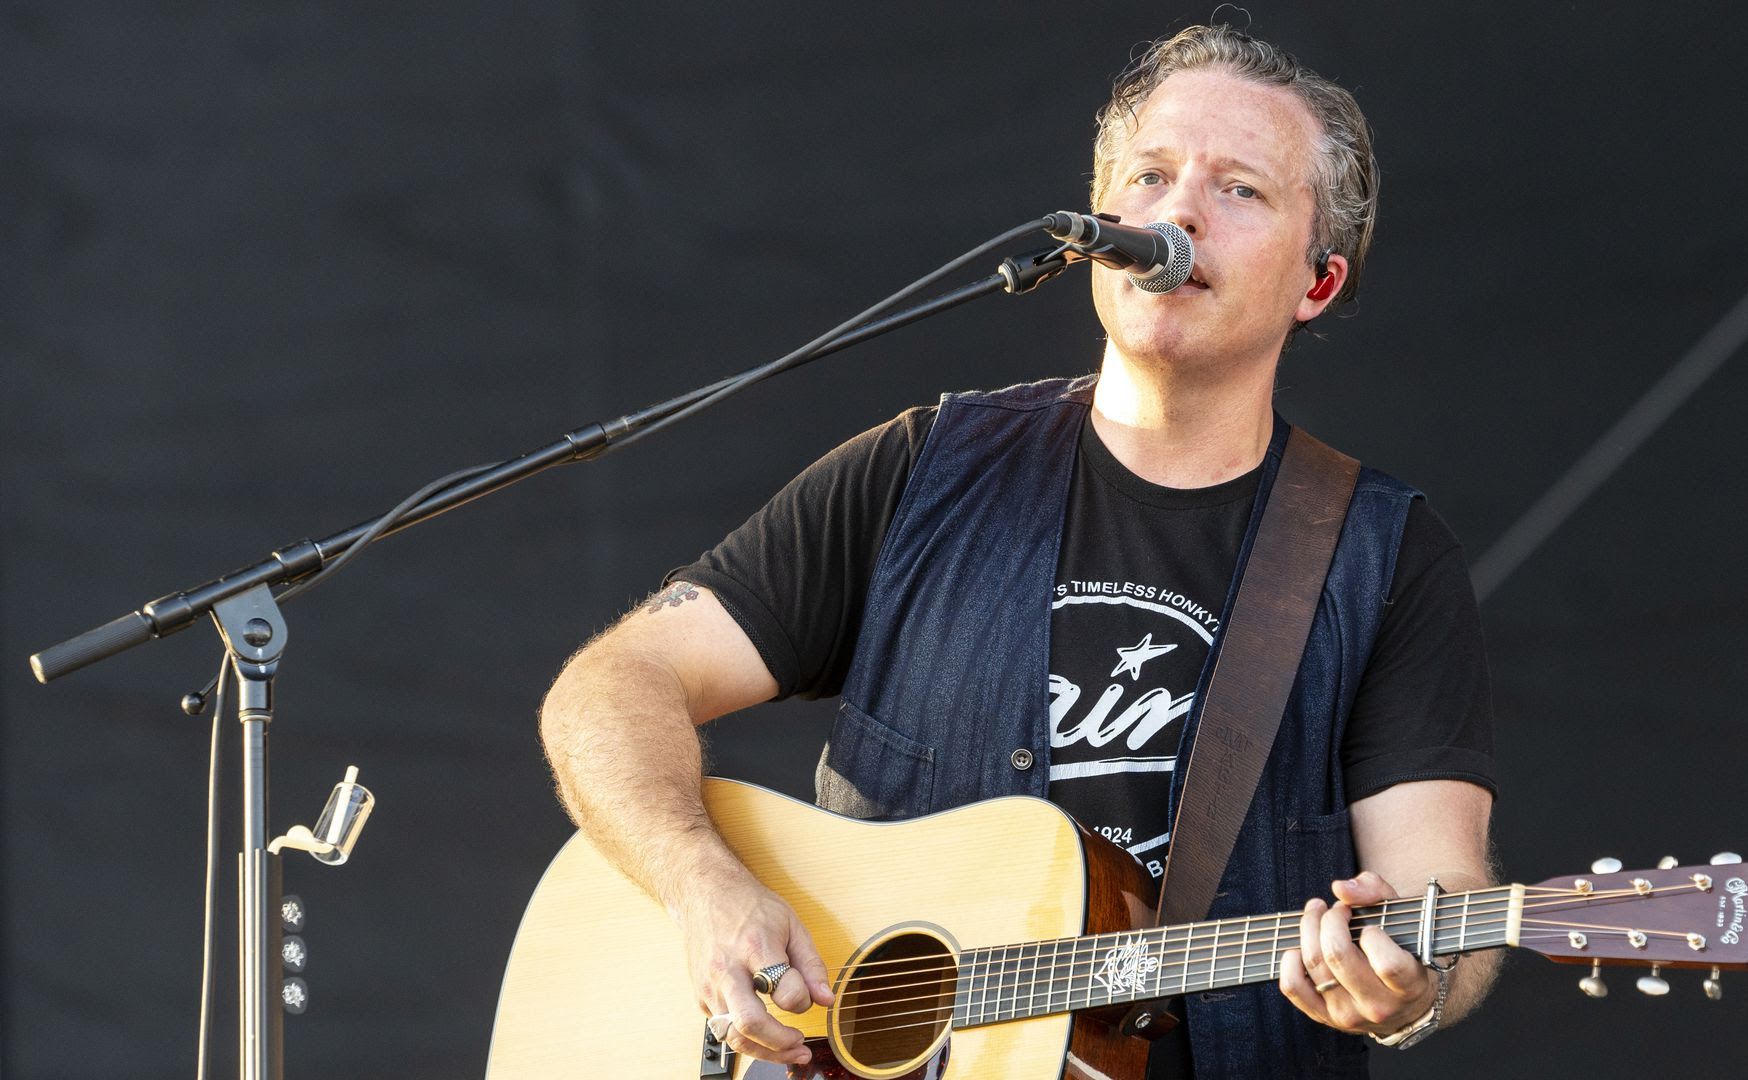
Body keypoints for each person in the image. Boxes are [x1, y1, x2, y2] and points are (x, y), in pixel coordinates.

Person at [540, 23, 1498, 1078]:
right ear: (1096, 228)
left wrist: (1413, 981)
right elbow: (612, 686)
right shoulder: (922, 472)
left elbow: (1434, 899)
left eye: (1240, 191)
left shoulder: (1383, 557)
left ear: (1318, 282)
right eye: (1150, 175)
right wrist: (701, 886)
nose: (1178, 211)